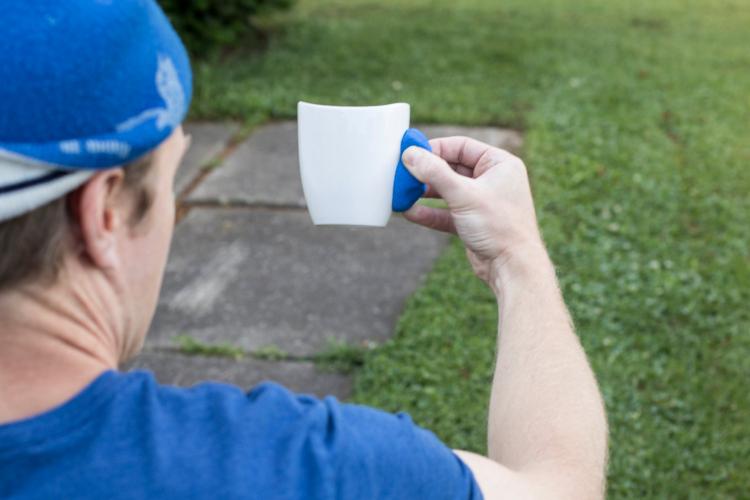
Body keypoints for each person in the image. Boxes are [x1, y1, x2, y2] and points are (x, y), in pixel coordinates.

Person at [0, 1, 607, 499]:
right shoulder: (306, 470)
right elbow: (561, 488)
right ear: (103, 213)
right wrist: (515, 258)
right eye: (168, 183)